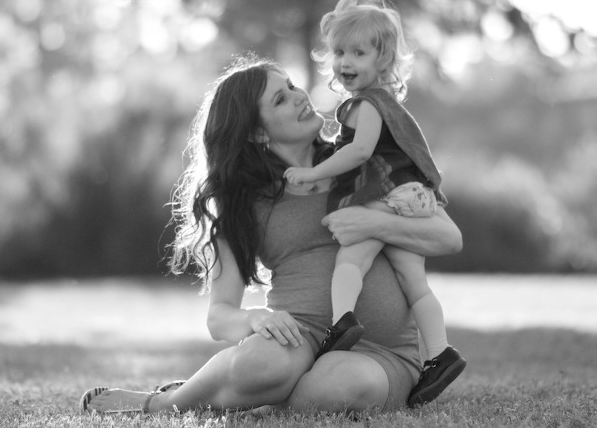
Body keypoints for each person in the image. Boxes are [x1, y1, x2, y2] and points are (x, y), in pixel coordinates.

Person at [79, 55, 463, 415]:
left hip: (383, 353)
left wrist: (372, 224)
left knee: (340, 384)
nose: (299, 96)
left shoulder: (365, 163)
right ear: (257, 132)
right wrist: (255, 319)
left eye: (292, 86)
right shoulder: (244, 204)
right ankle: (167, 402)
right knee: (260, 364)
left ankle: (262, 403)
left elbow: (448, 237)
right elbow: (219, 317)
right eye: (281, 98)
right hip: (299, 337)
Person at [284, 0, 465, 406]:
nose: (345, 62)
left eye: (358, 53)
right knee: (414, 283)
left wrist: (312, 173)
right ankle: (439, 354)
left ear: (383, 59)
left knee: (351, 258)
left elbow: (360, 151)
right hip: (412, 195)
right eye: (339, 52)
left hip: (390, 195)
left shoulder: (366, 104)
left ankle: (341, 324)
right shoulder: (387, 101)